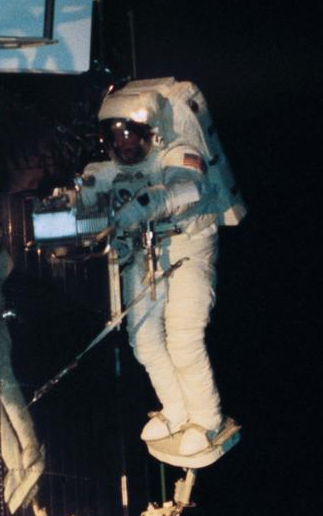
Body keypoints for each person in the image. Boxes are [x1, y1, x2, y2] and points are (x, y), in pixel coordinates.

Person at [81, 83, 235, 465]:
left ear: (151, 132)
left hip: (188, 246)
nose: (125, 145)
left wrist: (147, 204)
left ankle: (208, 420)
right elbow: (84, 202)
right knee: (144, 339)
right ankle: (177, 411)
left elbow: (188, 189)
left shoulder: (179, 152)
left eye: (130, 135)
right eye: (115, 137)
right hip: (143, 249)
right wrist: (76, 210)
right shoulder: (107, 171)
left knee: (183, 335)